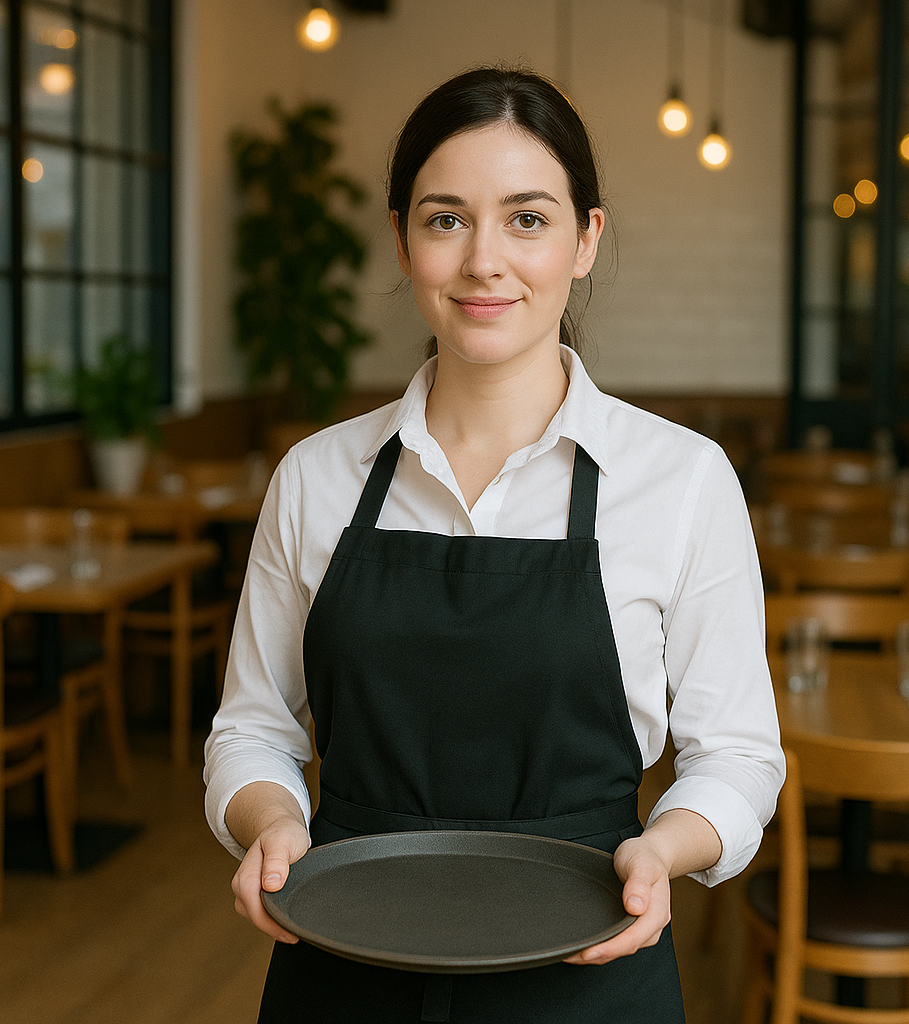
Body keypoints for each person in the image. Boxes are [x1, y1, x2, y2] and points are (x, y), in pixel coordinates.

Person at [204, 65, 784, 1023]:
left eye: (527, 218)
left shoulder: (682, 480)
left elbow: (737, 756)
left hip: (594, 957)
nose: (484, 261)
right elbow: (253, 728)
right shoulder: (316, 476)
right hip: (344, 954)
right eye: (444, 219)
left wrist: (667, 845)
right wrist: (270, 820)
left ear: (585, 240)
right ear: (402, 238)